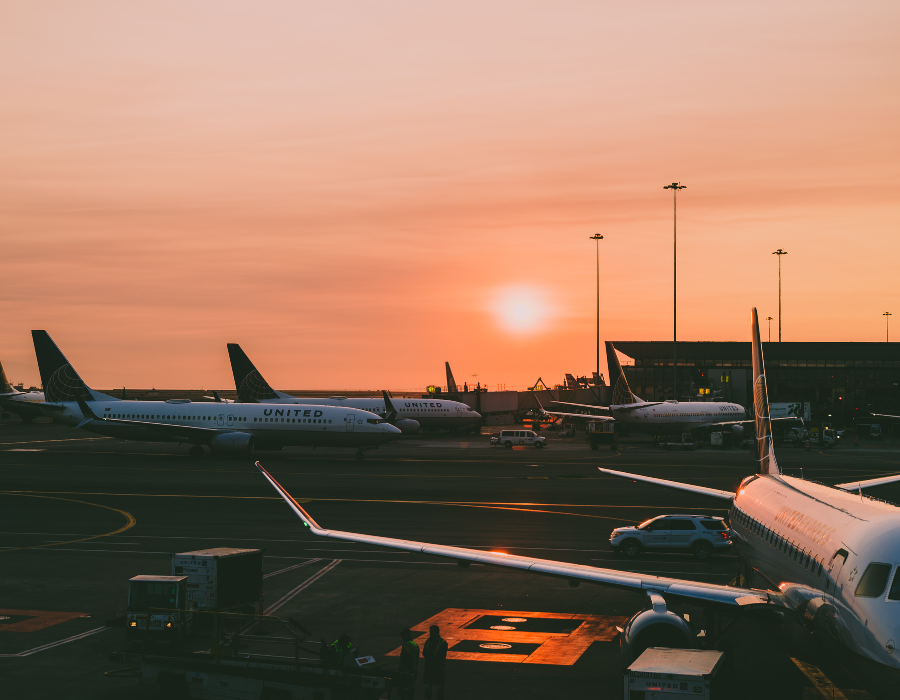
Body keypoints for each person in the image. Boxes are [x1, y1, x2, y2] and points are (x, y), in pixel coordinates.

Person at [422, 625, 448, 699]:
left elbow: (440, 655)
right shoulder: (428, 641)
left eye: (431, 632)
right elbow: (424, 653)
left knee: (439, 687)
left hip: (438, 668)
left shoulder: (442, 643)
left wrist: (431, 656)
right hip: (429, 667)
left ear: (436, 632)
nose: (430, 634)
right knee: (428, 686)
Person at [397, 628, 419, 700]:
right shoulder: (415, 645)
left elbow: (406, 659)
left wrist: (404, 670)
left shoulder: (406, 645)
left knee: (401, 691)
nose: (402, 638)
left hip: (407, 672)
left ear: (406, 635)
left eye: (403, 636)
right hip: (414, 671)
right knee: (411, 690)